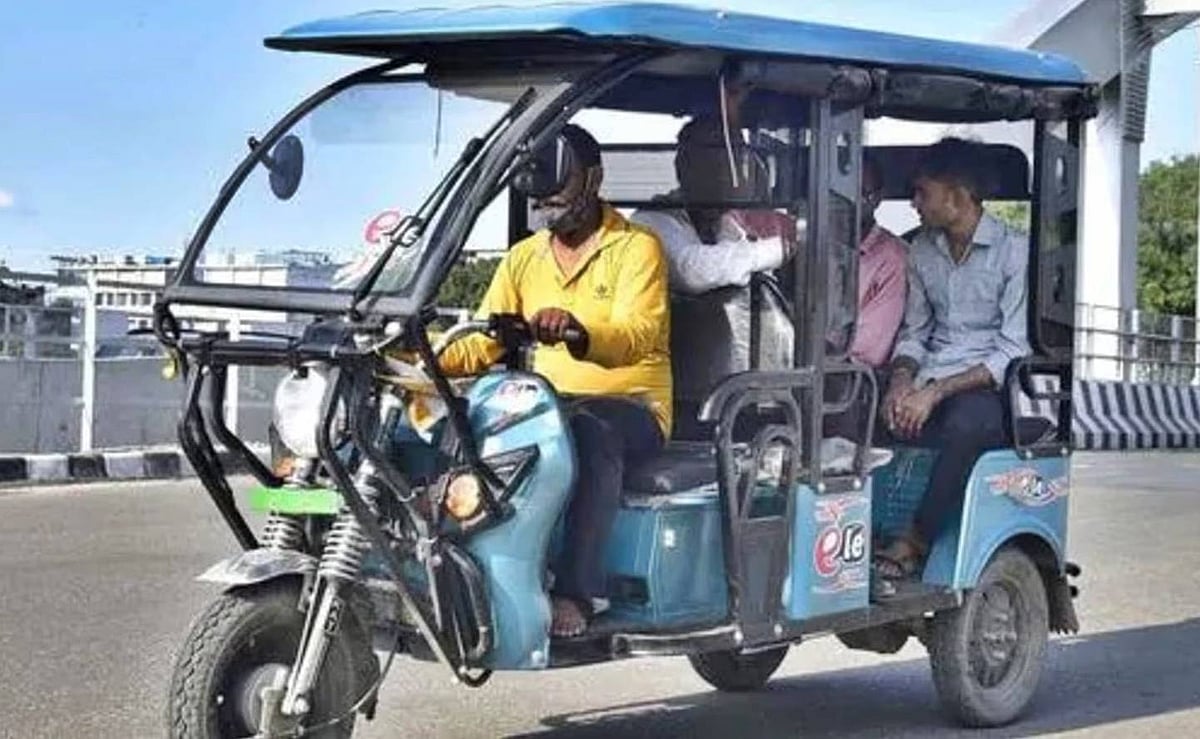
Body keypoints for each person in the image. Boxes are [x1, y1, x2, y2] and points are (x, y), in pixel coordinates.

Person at [437, 124, 672, 638]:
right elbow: (483, 341)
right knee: (460, 426)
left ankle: (579, 591)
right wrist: (420, 349)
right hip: (548, 403)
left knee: (590, 435)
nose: (548, 208)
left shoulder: (637, 247)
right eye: (540, 201)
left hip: (630, 405)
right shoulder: (525, 257)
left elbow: (638, 333)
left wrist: (577, 329)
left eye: (559, 196)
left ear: (594, 180)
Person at [874, 137, 1031, 581]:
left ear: (957, 196)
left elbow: (1012, 349)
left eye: (922, 192)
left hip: (986, 388)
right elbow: (915, 332)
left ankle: (916, 537)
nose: (914, 203)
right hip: (929, 379)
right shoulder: (922, 250)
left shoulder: (1014, 252)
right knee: (860, 415)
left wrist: (935, 392)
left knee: (967, 426)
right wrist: (901, 384)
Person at [631, 116, 797, 294]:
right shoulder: (649, 221)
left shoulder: (731, 218)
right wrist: (776, 250)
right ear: (683, 167)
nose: (725, 173)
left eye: (736, 160)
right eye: (712, 160)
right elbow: (690, 272)